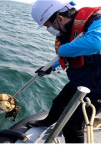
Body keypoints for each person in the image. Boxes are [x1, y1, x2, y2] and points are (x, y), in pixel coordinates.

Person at [27, 0, 101, 143]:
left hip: (98, 88)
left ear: (59, 19)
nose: (48, 28)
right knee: (59, 102)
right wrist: (50, 67)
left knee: (72, 126)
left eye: (47, 25)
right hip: (82, 79)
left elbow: (96, 42)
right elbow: (69, 56)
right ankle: (48, 121)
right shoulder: (69, 32)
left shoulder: (96, 20)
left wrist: (62, 50)